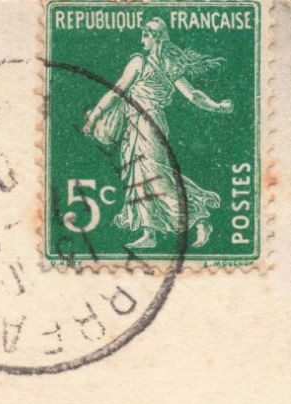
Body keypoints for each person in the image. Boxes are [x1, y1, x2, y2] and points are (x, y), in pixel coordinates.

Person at [81, 18, 233, 250]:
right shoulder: (139, 62)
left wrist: (216, 106)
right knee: (138, 176)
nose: (142, 40)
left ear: (158, 38)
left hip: (151, 124)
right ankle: (149, 232)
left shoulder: (164, 65)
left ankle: (200, 218)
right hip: (133, 125)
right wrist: (95, 116)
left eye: (146, 35)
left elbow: (192, 95)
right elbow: (118, 91)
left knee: (156, 175)